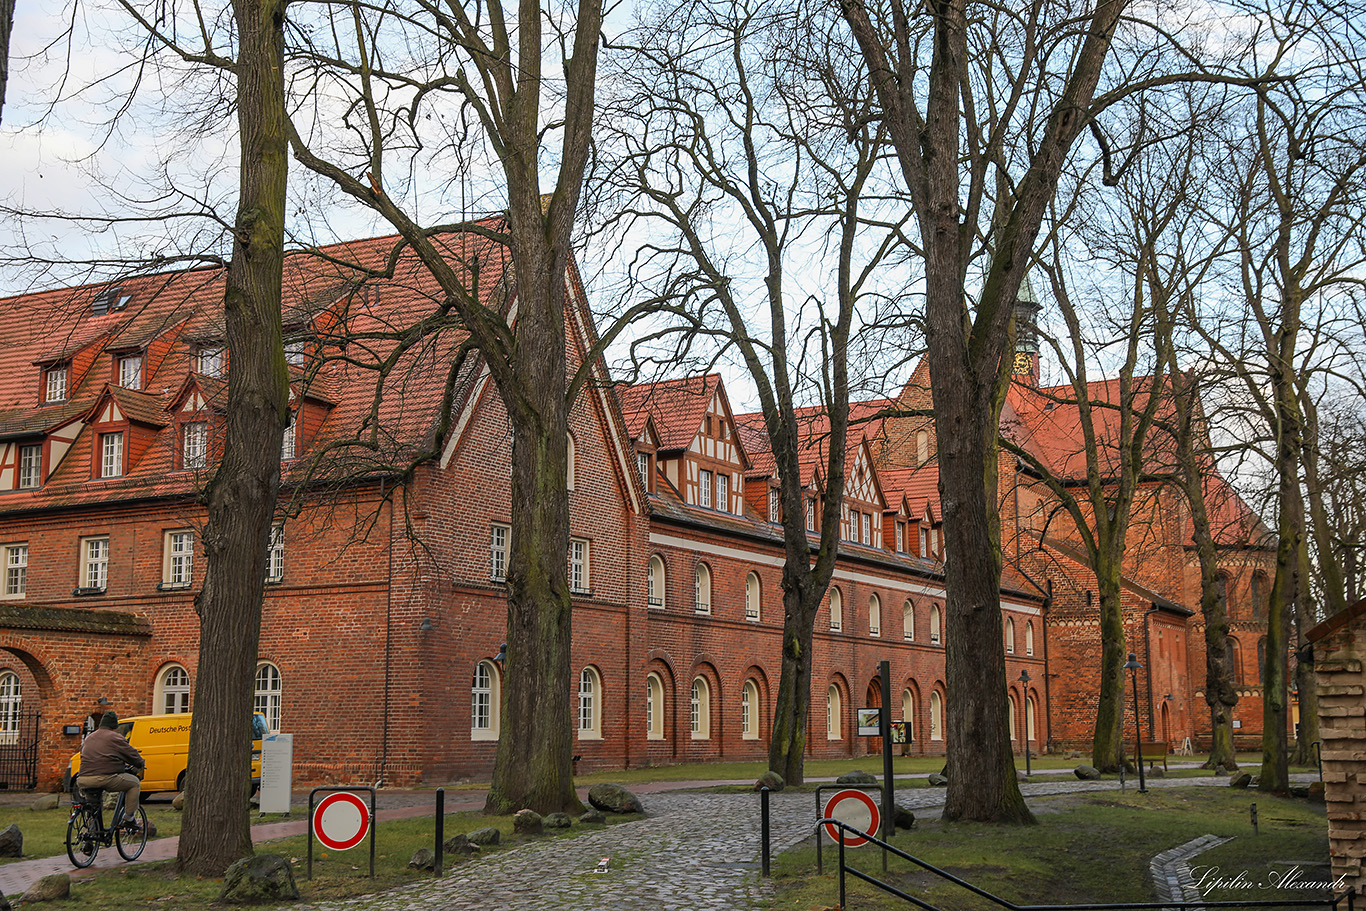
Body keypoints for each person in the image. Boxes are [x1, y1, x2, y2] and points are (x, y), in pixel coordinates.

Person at [77, 711, 145, 828]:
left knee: (93, 806)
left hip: (83, 779)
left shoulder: (89, 737)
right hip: (104, 777)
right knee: (134, 783)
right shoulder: (115, 737)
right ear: (114, 726)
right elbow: (132, 755)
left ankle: (89, 836)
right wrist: (140, 763)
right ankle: (129, 818)